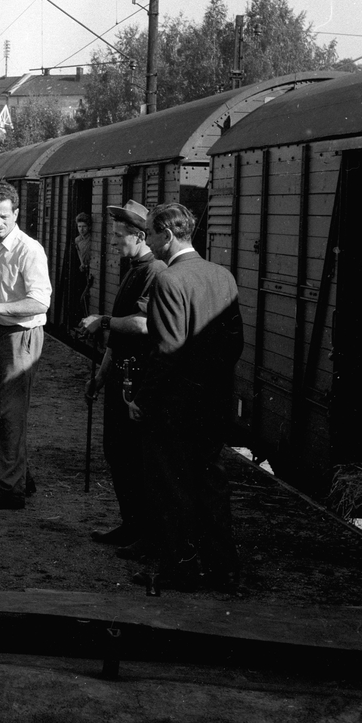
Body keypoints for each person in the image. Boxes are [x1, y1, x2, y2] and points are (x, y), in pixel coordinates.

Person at [130, 201, 244, 592]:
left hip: (175, 408)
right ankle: (225, 568)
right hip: (212, 403)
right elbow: (235, 344)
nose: (147, 240)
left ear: (167, 234)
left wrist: (141, 400)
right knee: (211, 483)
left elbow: (167, 351)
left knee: (173, 488)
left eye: (150, 233)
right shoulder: (223, 276)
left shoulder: (169, 280)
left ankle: (183, 568)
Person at [81, 200, 165, 552]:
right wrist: (99, 377)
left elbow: (144, 326)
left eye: (119, 236)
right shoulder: (133, 268)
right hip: (119, 376)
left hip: (137, 379)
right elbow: (117, 339)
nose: (114, 242)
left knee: (133, 456)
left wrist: (102, 321)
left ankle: (145, 532)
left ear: (140, 236)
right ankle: (130, 524)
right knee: (117, 452)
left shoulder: (154, 271)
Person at [0, 180, 51, 510]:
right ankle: (18, 476)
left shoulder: (28, 249)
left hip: (22, 336)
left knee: (9, 414)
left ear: (16, 213)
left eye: (4, 216)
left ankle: (10, 491)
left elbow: (40, 302)